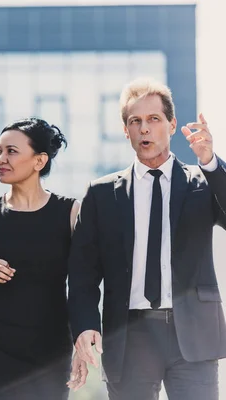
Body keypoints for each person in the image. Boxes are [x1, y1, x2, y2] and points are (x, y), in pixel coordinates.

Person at [68, 78, 226, 400]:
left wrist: (210, 162)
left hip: (193, 334)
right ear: (125, 131)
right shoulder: (101, 195)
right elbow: (82, 273)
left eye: (154, 119)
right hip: (129, 336)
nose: (144, 129)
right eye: (135, 121)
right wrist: (84, 326)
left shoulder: (203, 182)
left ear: (171, 124)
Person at [0, 118, 88, 399]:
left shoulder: (70, 213)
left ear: (39, 161)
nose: (0, 159)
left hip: (50, 348)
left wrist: (81, 341)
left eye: (11, 151)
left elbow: (83, 285)